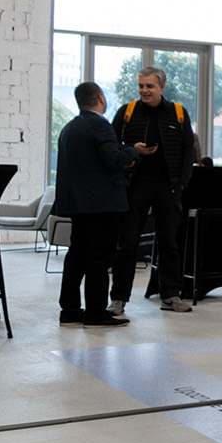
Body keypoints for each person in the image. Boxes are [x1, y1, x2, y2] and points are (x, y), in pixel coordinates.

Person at [54, 82, 150, 328]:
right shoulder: (100, 125)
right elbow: (113, 159)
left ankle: (70, 311)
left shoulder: (69, 128)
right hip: (102, 204)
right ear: (100, 97)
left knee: (76, 256)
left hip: (77, 204)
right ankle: (95, 312)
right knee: (99, 258)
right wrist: (133, 151)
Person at [109, 66, 198, 314]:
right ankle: (118, 300)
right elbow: (112, 145)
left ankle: (170, 296)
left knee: (169, 243)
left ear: (162, 87)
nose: (144, 91)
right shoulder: (127, 112)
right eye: (141, 86)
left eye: (149, 86)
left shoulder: (178, 113)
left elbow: (188, 149)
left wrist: (182, 182)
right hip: (134, 187)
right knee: (127, 244)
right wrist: (132, 149)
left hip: (168, 187)